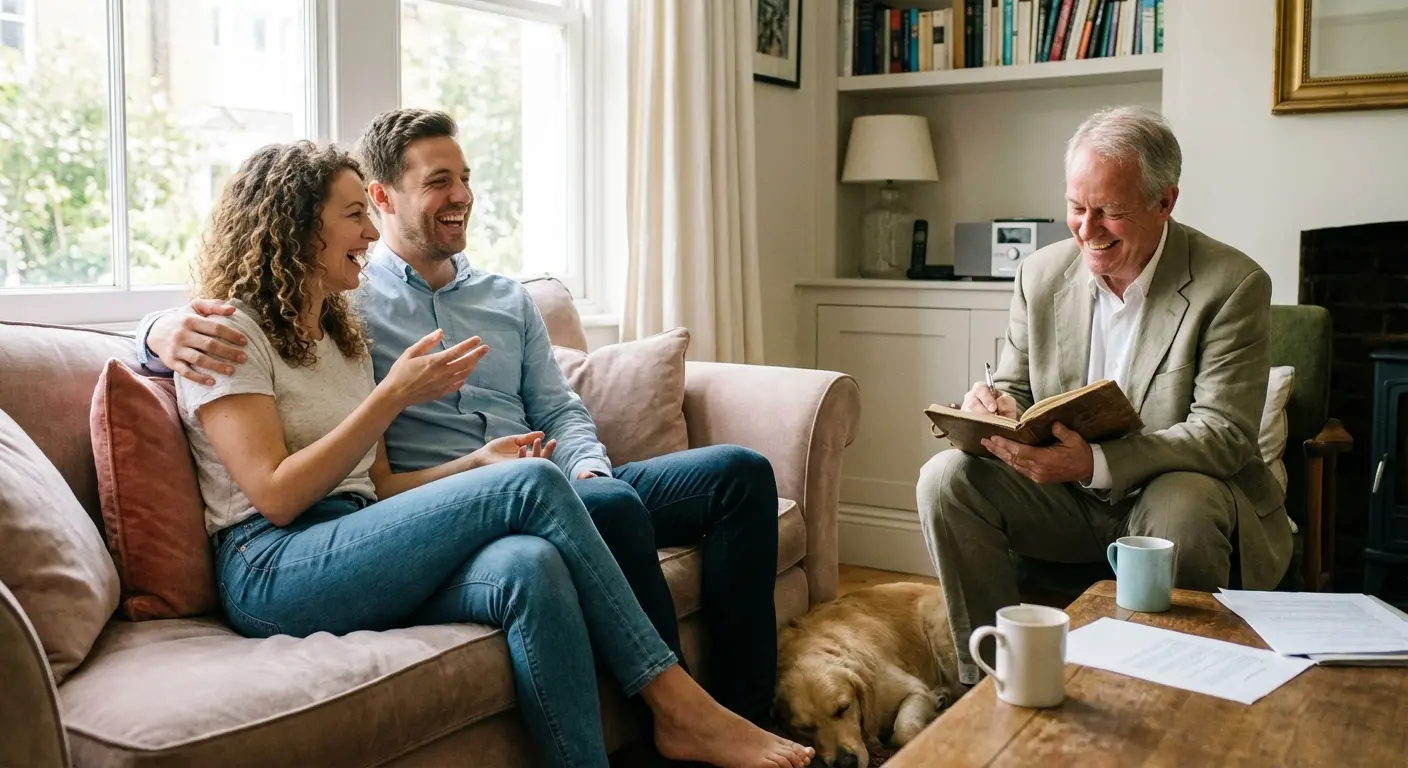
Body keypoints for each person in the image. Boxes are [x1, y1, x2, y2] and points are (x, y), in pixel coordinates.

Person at [166, 139, 811, 768]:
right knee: (534, 484)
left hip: (357, 532)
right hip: (271, 563)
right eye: (355, 213)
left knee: (530, 564)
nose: (369, 228)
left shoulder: (343, 334)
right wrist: (389, 400)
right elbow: (275, 497)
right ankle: (679, 707)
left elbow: (380, 486)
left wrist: (474, 468)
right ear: (297, 228)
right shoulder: (226, 334)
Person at [917, 106, 1289, 686]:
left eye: (1110, 212)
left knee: (1181, 501)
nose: (1087, 230)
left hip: (1169, 497)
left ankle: (1169, 687)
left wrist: (1095, 461)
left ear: (1165, 202)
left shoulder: (1232, 284)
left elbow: (1225, 435)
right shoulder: (1039, 275)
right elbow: (1015, 385)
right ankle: (990, 679)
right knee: (946, 479)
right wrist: (996, 406)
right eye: (1075, 207)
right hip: (1063, 499)